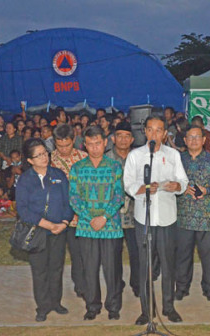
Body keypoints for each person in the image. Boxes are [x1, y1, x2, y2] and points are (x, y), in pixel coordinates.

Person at [123, 115, 188, 325]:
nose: (154, 134)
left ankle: (168, 307)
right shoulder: (135, 155)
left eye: (158, 130)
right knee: (145, 266)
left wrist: (177, 186)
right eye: (150, 130)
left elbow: (183, 180)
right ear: (144, 132)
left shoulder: (173, 155)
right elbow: (128, 184)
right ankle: (146, 310)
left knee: (168, 264)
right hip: (144, 217)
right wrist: (142, 189)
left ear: (164, 133)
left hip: (168, 217)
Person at [69, 125, 124, 321]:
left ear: (105, 142)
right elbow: (73, 198)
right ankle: (92, 306)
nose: (94, 148)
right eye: (90, 144)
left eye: (98, 143)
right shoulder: (77, 168)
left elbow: (119, 196)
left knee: (112, 270)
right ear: (84, 145)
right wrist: (89, 218)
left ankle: (114, 307)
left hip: (110, 227)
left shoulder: (114, 167)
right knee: (89, 270)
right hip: (86, 227)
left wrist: (104, 217)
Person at [16, 138, 74, 322]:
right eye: (38, 155)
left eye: (45, 153)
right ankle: (43, 306)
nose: (44, 157)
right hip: (37, 232)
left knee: (56, 268)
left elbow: (69, 202)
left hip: (59, 230)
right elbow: (23, 210)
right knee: (39, 270)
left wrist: (64, 223)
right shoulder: (25, 180)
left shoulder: (58, 174)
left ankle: (56, 302)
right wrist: (48, 225)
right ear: (30, 160)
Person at [175, 125, 210, 302]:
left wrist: (207, 189)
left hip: (206, 216)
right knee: (183, 254)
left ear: (203, 140)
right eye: (190, 137)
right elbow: (170, 182)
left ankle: (209, 287)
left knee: (208, 255)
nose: (193, 140)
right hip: (183, 215)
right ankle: (182, 287)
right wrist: (181, 188)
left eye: (197, 137)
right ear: (185, 141)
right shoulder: (177, 160)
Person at [50, 124, 88, 299]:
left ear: (74, 140)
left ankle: (81, 286)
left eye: (67, 145)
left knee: (79, 254)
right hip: (55, 218)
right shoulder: (48, 160)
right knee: (54, 257)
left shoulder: (84, 158)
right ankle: (53, 292)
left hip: (78, 218)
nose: (64, 150)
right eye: (59, 146)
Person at [105, 121, 140, 298]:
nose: (123, 140)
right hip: (113, 216)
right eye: (120, 136)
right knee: (113, 255)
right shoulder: (106, 160)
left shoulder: (138, 158)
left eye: (127, 136)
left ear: (132, 139)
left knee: (137, 253)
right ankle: (116, 285)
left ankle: (137, 284)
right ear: (113, 138)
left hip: (135, 214)